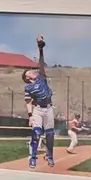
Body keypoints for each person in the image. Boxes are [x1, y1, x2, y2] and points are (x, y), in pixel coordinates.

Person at [24, 35, 55, 169]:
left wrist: (40, 48)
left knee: (50, 135)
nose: (33, 71)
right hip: (38, 110)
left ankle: (50, 156)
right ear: (27, 77)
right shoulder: (28, 87)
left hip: (48, 109)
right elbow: (28, 102)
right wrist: (30, 117)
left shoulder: (41, 77)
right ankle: (33, 157)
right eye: (30, 72)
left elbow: (41, 62)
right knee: (36, 133)